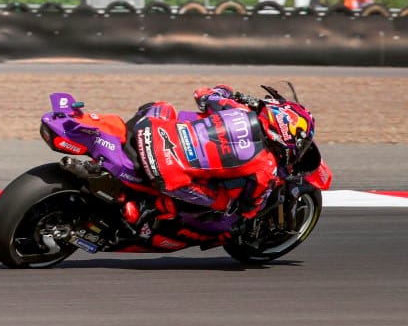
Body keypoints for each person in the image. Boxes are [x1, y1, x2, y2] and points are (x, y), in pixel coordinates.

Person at [124, 84, 315, 235]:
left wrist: (225, 91)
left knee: (163, 107)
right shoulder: (267, 168)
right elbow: (248, 208)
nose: (299, 149)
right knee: (225, 204)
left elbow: (202, 94)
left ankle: (122, 143)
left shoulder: (239, 110)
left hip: (148, 131)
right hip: (165, 173)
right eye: (300, 144)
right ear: (285, 137)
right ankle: (151, 208)